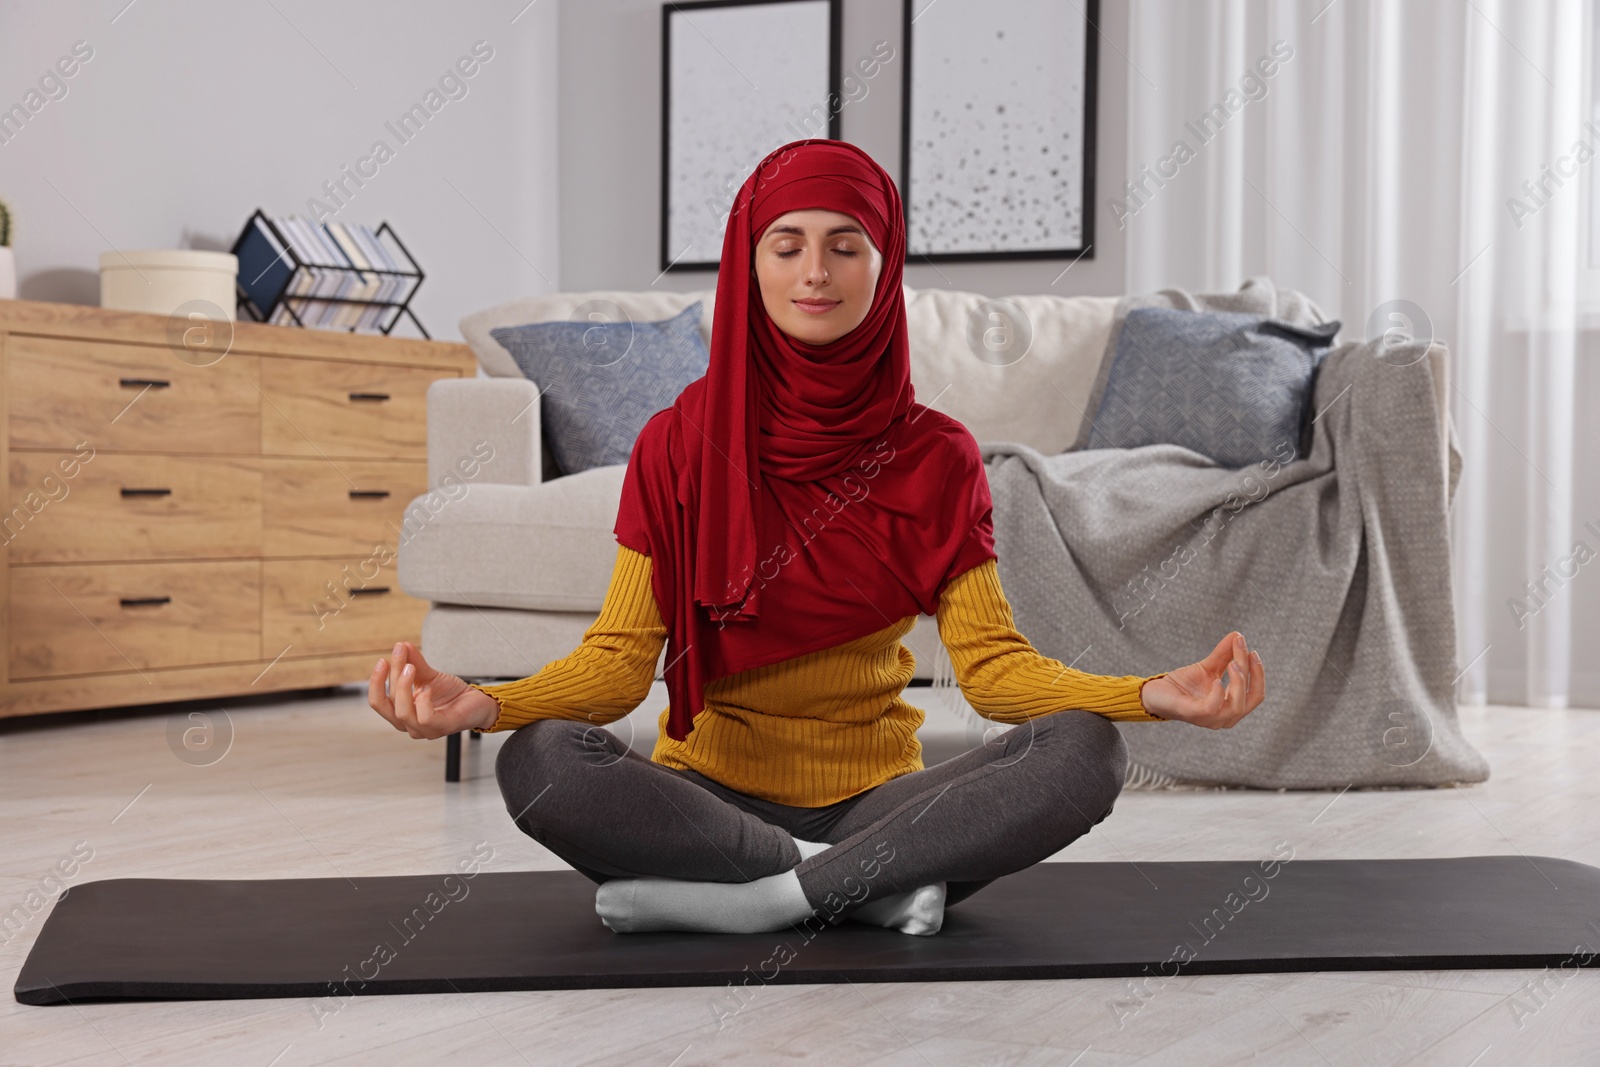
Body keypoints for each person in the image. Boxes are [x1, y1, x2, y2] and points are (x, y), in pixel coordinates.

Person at [367, 138, 1265, 938]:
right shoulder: (677, 445)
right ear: (748, 264)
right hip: (704, 798)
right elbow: (614, 664)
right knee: (544, 759)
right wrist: (484, 705)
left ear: (885, 266)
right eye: (786, 244)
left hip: (881, 802)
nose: (815, 273)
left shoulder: (938, 455)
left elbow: (993, 671)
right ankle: (860, 890)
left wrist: (1148, 692)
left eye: (846, 245)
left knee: (1084, 751)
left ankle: (764, 899)